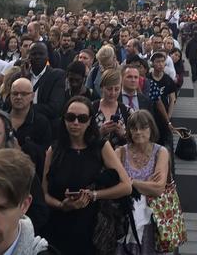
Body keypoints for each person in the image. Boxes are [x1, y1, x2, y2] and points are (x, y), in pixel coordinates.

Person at [42, 96, 132, 255]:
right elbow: (44, 193)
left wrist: (94, 195)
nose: (75, 123)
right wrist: (62, 205)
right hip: (58, 227)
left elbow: (126, 186)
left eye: (82, 118)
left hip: (91, 228)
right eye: (70, 117)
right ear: (64, 119)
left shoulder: (101, 147)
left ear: (90, 121)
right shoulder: (54, 150)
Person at [115, 110, 169, 254]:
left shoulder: (161, 152)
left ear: (151, 128)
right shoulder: (120, 153)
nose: (138, 132)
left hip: (152, 220)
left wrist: (130, 182)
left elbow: (158, 188)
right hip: (124, 220)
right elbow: (114, 185)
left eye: (143, 127)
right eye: (134, 128)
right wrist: (146, 184)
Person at [93, 68, 130, 149]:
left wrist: (123, 134)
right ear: (102, 88)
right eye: (109, 89)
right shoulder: (92, 108)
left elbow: (136, 141)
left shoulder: (127, 111)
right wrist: (100, 132)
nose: (113, 93)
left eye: (116, 89)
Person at [28, 42, 65, 122]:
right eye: (34, 54)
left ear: (47, 56)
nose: (37, 57)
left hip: (47, 125)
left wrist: (25, 108)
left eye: (41, 54)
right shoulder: (21, 75)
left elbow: (55, 108)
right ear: (29, 56)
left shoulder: (56, 76)